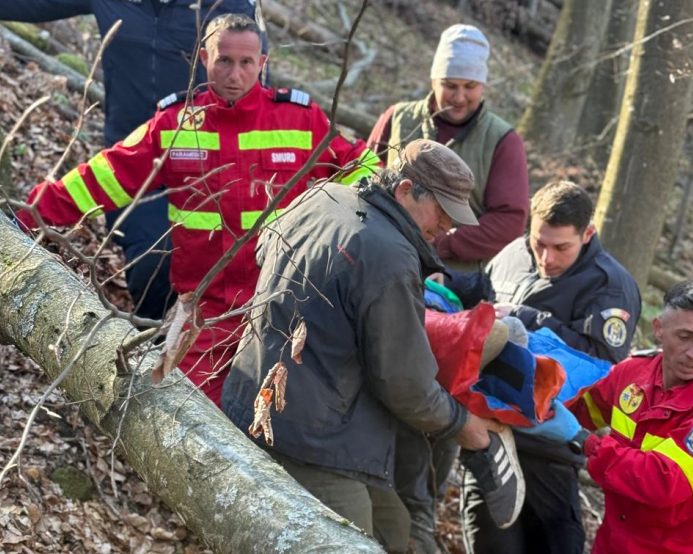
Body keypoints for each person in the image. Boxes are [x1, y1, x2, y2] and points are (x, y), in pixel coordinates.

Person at [16, 14, 379, 405]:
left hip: (283, 304)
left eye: (246, 62)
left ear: (263, 63)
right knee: (184, 411)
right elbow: (102, 177)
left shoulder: (300, 118)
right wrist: (27, 215)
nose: (235, 74)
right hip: (205, 309)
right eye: (224, 60)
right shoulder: (175, 124)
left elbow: (367, 172)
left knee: (283, 422)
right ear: (203, 58)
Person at [222, 140, 524, 552]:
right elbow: (406, 384)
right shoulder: (389, 255)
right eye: (442, 213)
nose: (447, 229)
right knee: (350, 542)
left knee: (394, 529)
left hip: (252, 402)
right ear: (405, 190)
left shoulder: (322, 195)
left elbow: (262, 250)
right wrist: (462, 426)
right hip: (314, 439)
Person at [0, 0, 259, 319]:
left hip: (208, 164)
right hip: (132, 162)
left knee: (221, 275)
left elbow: (253, 84)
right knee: (152, 264)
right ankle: (146, 347)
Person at [459, 180, 641, 553]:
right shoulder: (510, 255)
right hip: (489, 442)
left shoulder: (609, 286)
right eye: (539, 243)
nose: (547, 258)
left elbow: (601, 366)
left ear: (587, 233)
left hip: (551, 452)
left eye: (561, 247)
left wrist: (529, 319)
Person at [553, 281, 693, 553]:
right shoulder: (633, 372)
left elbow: (665, 482)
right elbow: (578, 407)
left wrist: (587, 442)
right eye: (685, 336)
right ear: (659, 329)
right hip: (616, 542)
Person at [367, 23, 528, 270]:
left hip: (455, 275)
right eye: (450, 86)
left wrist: (440, 241)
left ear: (482, 85)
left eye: (470, 87)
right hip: (382, 257)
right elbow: (363, 177)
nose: (459, 97)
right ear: (434, 80)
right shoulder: (396, 118)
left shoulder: (502, 140)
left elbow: (509, 221)